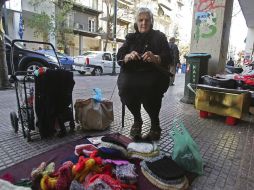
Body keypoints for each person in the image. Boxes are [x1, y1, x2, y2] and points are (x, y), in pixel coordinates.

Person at [117, 7, 172, 141]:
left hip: (153, 75)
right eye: (140, 20)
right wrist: (128, 56)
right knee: (125, 88)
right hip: (132, 75)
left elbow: (168, 57)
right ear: (136, 22)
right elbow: (120, 56)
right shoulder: (130, 38)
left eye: (147, 20)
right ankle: (137, 119)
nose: (143, 23)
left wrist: (156, 57)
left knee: (150, 89)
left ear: (151, 22)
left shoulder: (159, 37)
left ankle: (155, 124)